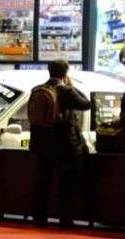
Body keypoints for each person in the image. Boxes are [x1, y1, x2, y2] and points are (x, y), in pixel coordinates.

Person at [30, 60, 92, 229]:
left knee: (43, 181)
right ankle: (65, 220)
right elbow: (86, 104)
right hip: (63, 143)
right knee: (66, 183)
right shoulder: (66, 91)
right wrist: (72, 86)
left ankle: (39, 219)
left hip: (42, 143)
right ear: (66, 73)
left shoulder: (38, 89)